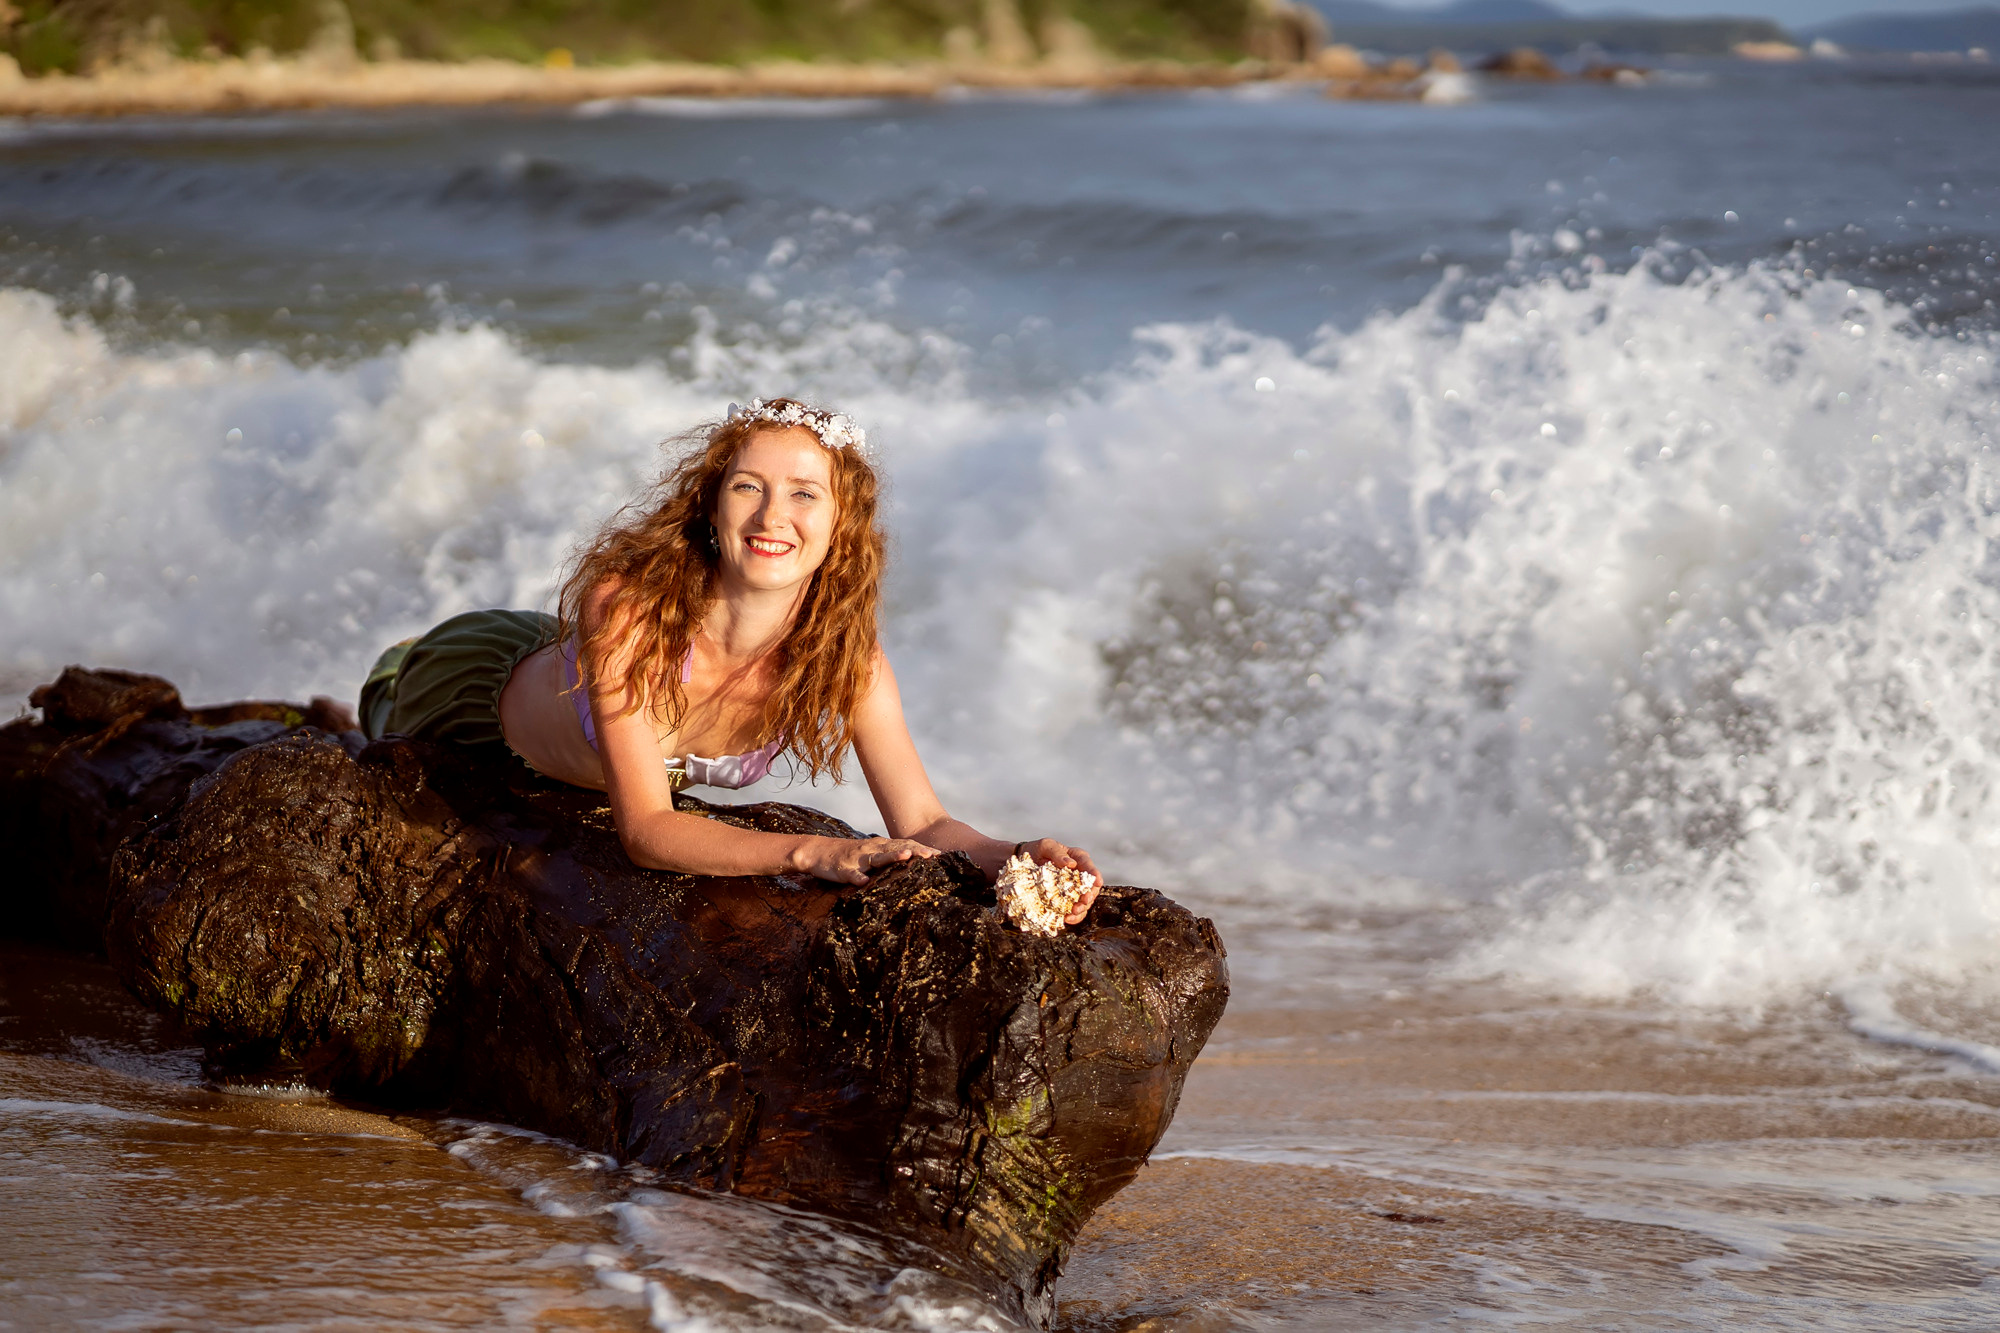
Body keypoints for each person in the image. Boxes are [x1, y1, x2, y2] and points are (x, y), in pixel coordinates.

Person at [358, 398, 1099, 918]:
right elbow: (646, 829)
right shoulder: (629, 612)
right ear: (713, 508)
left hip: (558, 711)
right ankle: (387, 667)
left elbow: (927, 824)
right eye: (750, 487)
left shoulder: (846, 659)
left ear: (841, 527)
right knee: (379, 703)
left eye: (805, 494)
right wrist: (813, 853)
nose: (774, 516)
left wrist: (1018, 854)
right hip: (471, 686)